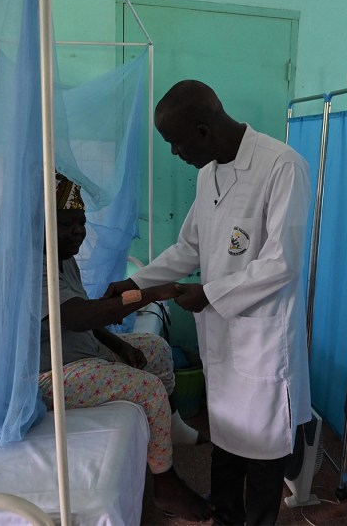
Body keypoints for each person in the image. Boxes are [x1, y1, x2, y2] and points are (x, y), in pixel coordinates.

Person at [105, 80, 312, 525]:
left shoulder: (282, 167)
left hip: (260, 339)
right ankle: (224, 516)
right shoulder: (208, 172)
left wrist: (209, 294)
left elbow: (283, 262)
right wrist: (134, 282)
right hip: (221, 337)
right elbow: (189, 249)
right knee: (227, 442)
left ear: (201, 130)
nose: (175, 154)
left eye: (175, 143)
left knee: (261, 455)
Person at [38, 172, 212, 521]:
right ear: (41, 224)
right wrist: (150, 293)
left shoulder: (62, 259)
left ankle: (172, 425)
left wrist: (119, 344)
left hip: (81, 352)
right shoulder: (32, 268)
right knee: (146, 388)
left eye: (81, 223)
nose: (78, 232)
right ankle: (165, 483)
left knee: (155, 347)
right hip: (45, 375)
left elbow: (81, 313)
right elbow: (78, 316)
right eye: (66, 223)